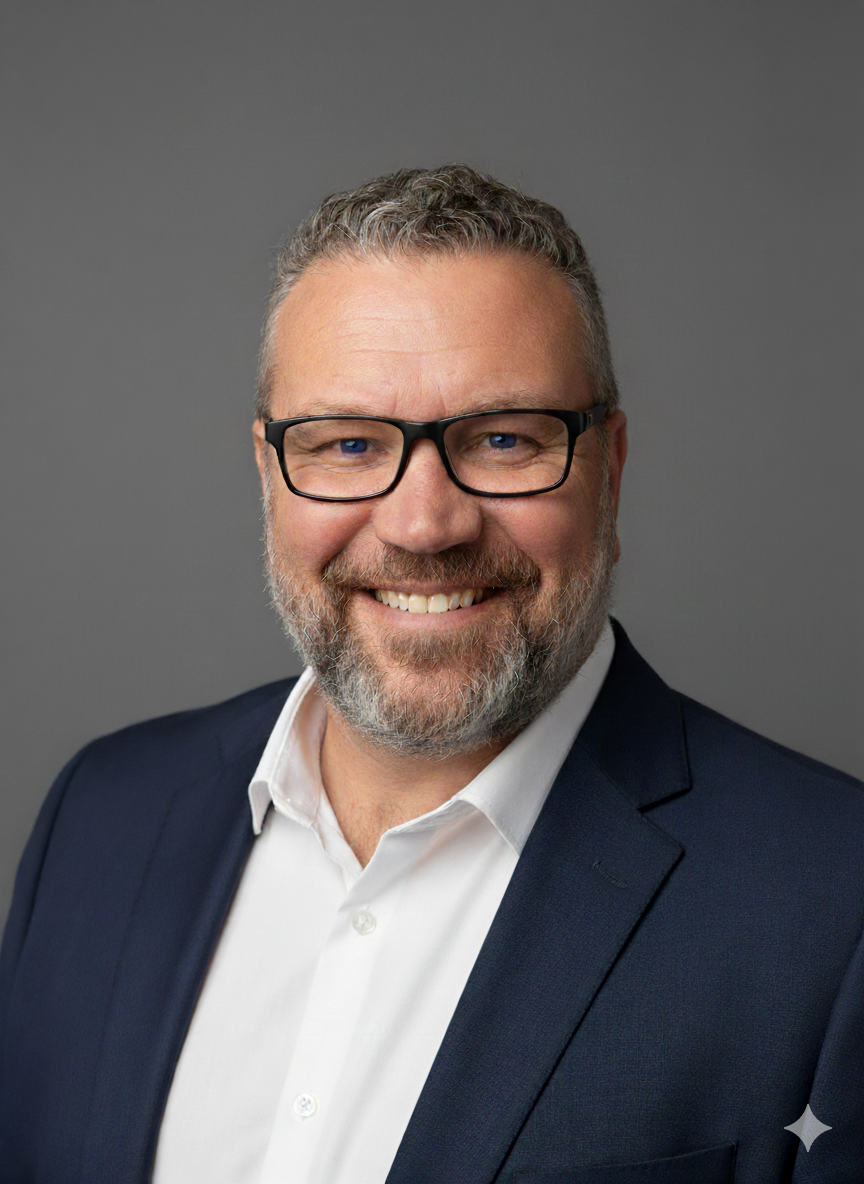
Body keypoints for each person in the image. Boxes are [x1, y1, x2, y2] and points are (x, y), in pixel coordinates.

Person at [0, 165, 861, 1184]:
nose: (423, 525)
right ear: (270, 474)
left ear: (612, 467)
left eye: (502, 439)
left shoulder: (834, 905)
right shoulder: (101, 813)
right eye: (348, 443)